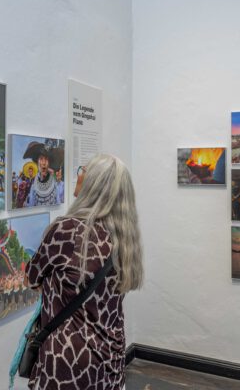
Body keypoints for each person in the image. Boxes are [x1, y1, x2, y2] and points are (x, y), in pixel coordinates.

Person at [25, 154, 143, 390]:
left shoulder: (66, 229)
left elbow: (31, 278)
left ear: (93, 184)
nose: (78, 173)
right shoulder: (124, 236)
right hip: (111, 353)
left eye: (83, 170)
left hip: (68, 358)